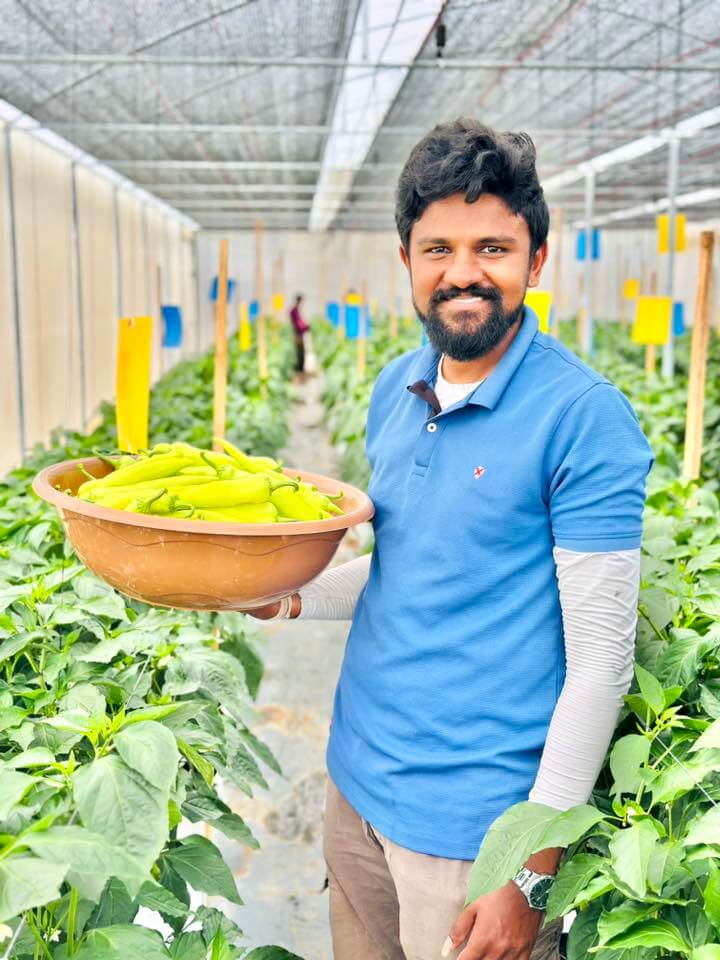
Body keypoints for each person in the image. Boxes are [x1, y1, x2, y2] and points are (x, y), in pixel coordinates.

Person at [247, 120, 653, 960]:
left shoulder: (583, 419)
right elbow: (403, 566)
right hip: (355, 790)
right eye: (438, 249)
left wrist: (531, 869)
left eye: (492, 248)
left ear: (537, 261)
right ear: (406, 261)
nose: (463, 273)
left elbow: (602, 664)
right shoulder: (396, 388)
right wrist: (287, 592)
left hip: (475, 836)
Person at [289, 293, 310, 375]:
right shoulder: (294, 311)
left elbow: (299, 323)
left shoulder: (296, 310)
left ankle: (300, 367)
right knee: (300, 351)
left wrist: (305, 327)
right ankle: (299, 368)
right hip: (298, 333)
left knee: (300, 350)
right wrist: (306, 328)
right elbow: (298, 324)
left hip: (299, 333)